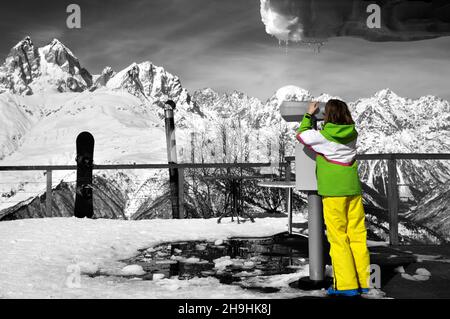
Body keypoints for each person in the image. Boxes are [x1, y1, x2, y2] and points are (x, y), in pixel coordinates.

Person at [295, 99, 370, 297]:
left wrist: (309, 115)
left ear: (328, 116)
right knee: (357, 236)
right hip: (353, 190)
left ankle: (346, 286)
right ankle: (363, 281)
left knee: (338, 239)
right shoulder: (352, 134)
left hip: (333, 193)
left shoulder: (323, 137)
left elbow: (301, 135)